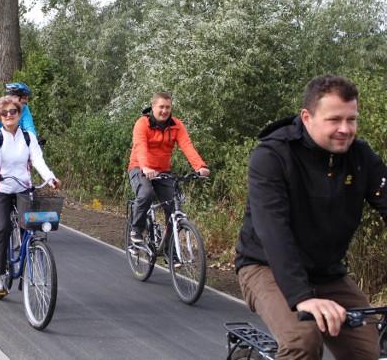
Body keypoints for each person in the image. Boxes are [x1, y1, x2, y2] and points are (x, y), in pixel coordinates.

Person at [235, 74, 387, 359]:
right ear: (307, 117)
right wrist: (302, 297)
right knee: (303, 342)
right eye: (334, 120)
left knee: (369, 351)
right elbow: (273, 231)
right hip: (265, 266)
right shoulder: (273, 156)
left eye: (351, 119)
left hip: (326, 271)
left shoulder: (361, 157)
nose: (345, 129)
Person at [0, 96, 61, 294]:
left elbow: (37, 160)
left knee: (33, 226)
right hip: (0, 189)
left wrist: (50, 178)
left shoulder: (28, 137)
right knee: (3, 227)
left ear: (19, 113)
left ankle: (30, 259)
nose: (9, 115)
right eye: (4, 113)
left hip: (22, 188)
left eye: (13, 111)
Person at [127, 92, 210, 243]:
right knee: (146, 194)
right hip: (139, 167)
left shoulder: (176, 125)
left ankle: (169, 250)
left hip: (162, 170)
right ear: (153, 107)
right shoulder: (142, 123)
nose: (164, 111)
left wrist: (200, 166)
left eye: (168, 107)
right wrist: (145, 167)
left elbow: (187, 146)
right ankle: (136, 229)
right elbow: (140, 146)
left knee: (173, 205)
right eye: (161, 107)